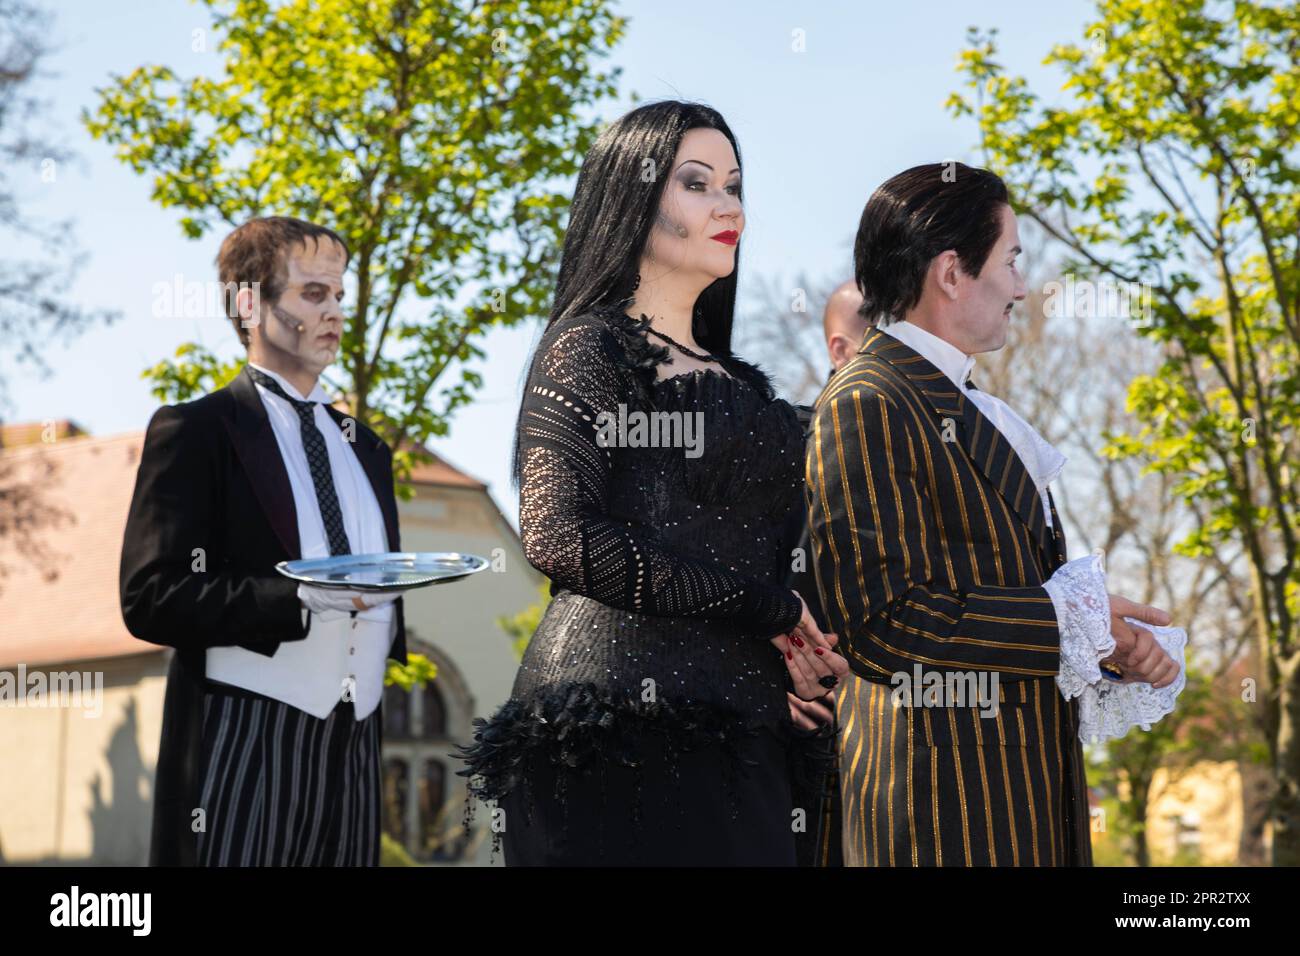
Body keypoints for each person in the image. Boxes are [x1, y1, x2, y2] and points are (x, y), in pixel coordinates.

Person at [456, 101, 849, 865]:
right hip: (610, 734)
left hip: (752, 741)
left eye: (735, 185)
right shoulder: (585, 346)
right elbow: (559, 535)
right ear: (630, 199)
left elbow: (785, 551)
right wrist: (768, 609)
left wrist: (809, 655)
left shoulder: (749, 385)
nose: (728, 204)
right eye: (697, 183)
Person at [806, 163, 1181, 866]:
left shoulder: (959, 400)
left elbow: (1004, 596)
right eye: (1010, 261)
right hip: (943, 811)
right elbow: (887, 620)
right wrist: (1077, 621)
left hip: (1020, 793)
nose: (1018, 285)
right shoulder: (870, 399)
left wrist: (1102, 642)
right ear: (952, 272)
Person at [119, 216, 413, 866]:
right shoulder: (197, 431)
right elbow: (151, 596)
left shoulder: (368, 450)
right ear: (250, 304)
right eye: (314, 294)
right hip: (246, 735)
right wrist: (299, 597)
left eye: (340, 295)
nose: (336, 311)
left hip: (359, 740)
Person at [785, 279, 870, 866]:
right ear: (841, 350)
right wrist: (766, 686)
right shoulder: (784, 445)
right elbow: (733, 576)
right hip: (815, 753)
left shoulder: (958, 449)